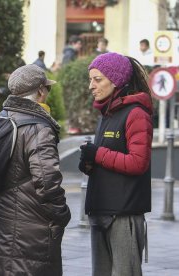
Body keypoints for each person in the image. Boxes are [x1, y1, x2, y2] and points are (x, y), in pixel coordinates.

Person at [0, 64, 71, 276]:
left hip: (2, 225)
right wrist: (61, 214)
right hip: (32, 231)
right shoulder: (39, 128)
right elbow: (47, 182)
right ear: (40, 91)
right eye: (46, 88)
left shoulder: (0, 120)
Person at [79, 52, 153, 276]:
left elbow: (138, 163)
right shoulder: (105, 114)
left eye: (97, 79)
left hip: (123, 214)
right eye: (90, 79)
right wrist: (89, 163)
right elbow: (109, 156)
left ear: (116, 80)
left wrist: (98, 154)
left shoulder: (136, 114)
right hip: (100, 212)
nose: (91, 86)